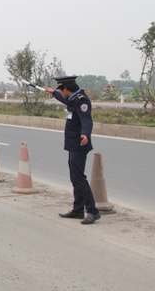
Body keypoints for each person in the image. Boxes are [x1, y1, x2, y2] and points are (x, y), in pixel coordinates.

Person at [45, 76, 101, 225]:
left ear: (66, 89)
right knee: (75, 178)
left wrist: (85, 134)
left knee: (79, 179)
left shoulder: (82, 100)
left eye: (60, 90)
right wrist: (52, 93)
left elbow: (86, 119)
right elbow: (64, 100)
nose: (60, 93)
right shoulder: (73, 98)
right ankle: (77, 210)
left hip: (79, 144)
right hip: (72, 144)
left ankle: (92, 211)